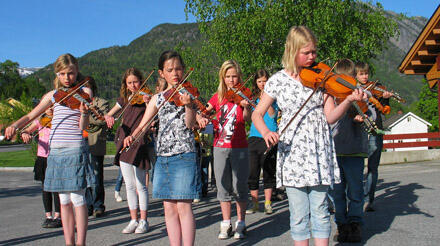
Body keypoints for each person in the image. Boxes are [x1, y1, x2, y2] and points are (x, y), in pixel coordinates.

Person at [251, 26, 367, 246]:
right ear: (292, 51)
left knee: (321, 210)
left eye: (314, 51)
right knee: (299, 214)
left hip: (319, 151)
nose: (313, 57)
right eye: (307, 53)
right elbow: (257, 113)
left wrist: (349, 100)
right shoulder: (277, 80)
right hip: (292, 153)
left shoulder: (321, 78)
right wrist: (266, 132)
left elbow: (331, 117)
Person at [5, 53, 96, 246]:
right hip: (55, 151)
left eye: (70, 73)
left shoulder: (84, 91)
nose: (66, 78)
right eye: (62, 74)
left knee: (78, 198)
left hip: (75, 148)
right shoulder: (53, 95)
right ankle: (69, 242)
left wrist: (84, 113)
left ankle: (81, 243)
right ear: (57, 74)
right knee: (63, 199)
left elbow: (83, 127)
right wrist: (15, 124)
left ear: (76, 71)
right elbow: (31, 115)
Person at [124, 50, 201, 246]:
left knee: (184, 206)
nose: (175, 73)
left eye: (178, 69)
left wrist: (189, 106)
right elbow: (144, 123)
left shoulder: (189, 94)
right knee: (169, 208)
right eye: (170, 70)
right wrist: (133, 136)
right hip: (163, 157)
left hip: (184, 155)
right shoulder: (158, 98)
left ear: (183, 71)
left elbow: (190, 124)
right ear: (161, 73)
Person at [202, 59, 252, 240]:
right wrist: (202, 118)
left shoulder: (244, 95)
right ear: (222, 77)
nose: (231, 80)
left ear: (239, 77)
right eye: (228, 77)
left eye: (234, 76)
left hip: (239, 146)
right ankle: (225, 223)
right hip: (219, 146)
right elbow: (205, 112)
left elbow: (247, 119)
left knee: (240, 185)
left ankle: (241, 222)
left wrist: (245, 107)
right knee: (223, 186)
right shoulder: (217, 97)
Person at [104, 67, 152, 234]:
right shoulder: (123, 99)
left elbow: (151, 117)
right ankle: (133, 219)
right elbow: (110, 114)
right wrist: (109, 117)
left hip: (139, 142)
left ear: (141, 81)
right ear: (125, 84)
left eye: (136, 82)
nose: (133, 86)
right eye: (129, 83)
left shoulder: (147, 97)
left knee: (140, 185)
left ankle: (144, 220)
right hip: (123, 143)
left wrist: (147, 102)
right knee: (129, 185)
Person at [330, 58, 370, 243]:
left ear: (354, 78)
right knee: (337, 192)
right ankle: (341, 224)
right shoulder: (331, 96)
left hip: (355, 150)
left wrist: (365, 116)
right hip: (335, 151)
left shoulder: (362, 94)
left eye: (348, 79)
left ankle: (355, 223)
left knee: (355, 190)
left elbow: (372, 112)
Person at [355, 62, 392, 212]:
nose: (365, 77)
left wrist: (386, 99)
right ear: (355, 75)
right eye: (361, 74)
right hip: (359, 129)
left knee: (372, 167)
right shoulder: (353, 90)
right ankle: (356, 198)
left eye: (366, 73)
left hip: (375, 129)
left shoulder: (377, 88)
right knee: (357, 166)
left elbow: (383, 111)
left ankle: (368, 199)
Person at [20, 108, 62, 228]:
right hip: (42, 158)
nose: (50, 109)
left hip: (55, 157)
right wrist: (25, 133)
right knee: (45, 188)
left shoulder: (58, 120)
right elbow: (28, 129)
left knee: (56, 189)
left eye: (53, 106)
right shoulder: (40, 121)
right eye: (48, 107)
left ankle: (58, 216)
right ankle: (48, 216)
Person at [246, 69, 278, 215]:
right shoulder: (252, 98)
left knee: (268, 170)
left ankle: (267, 203)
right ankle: (254, 204)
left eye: (265, 81)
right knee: (252, 170)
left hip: (269, 135)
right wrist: (247, 106)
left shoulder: (274, 98)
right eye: (259, 81)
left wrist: (267, 98)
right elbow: (247, 118)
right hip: (254, 136)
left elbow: (272, 114)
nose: (262, 84)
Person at [84, 78, 109, 218]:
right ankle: (88, 205)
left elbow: (100, 120)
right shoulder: (77, 103)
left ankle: (99, 205)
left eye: (87, 87)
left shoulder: (101, 103)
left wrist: (85, 115)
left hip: (95, 142)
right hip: (80, 141)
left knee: (96, 175)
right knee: (84, 176)